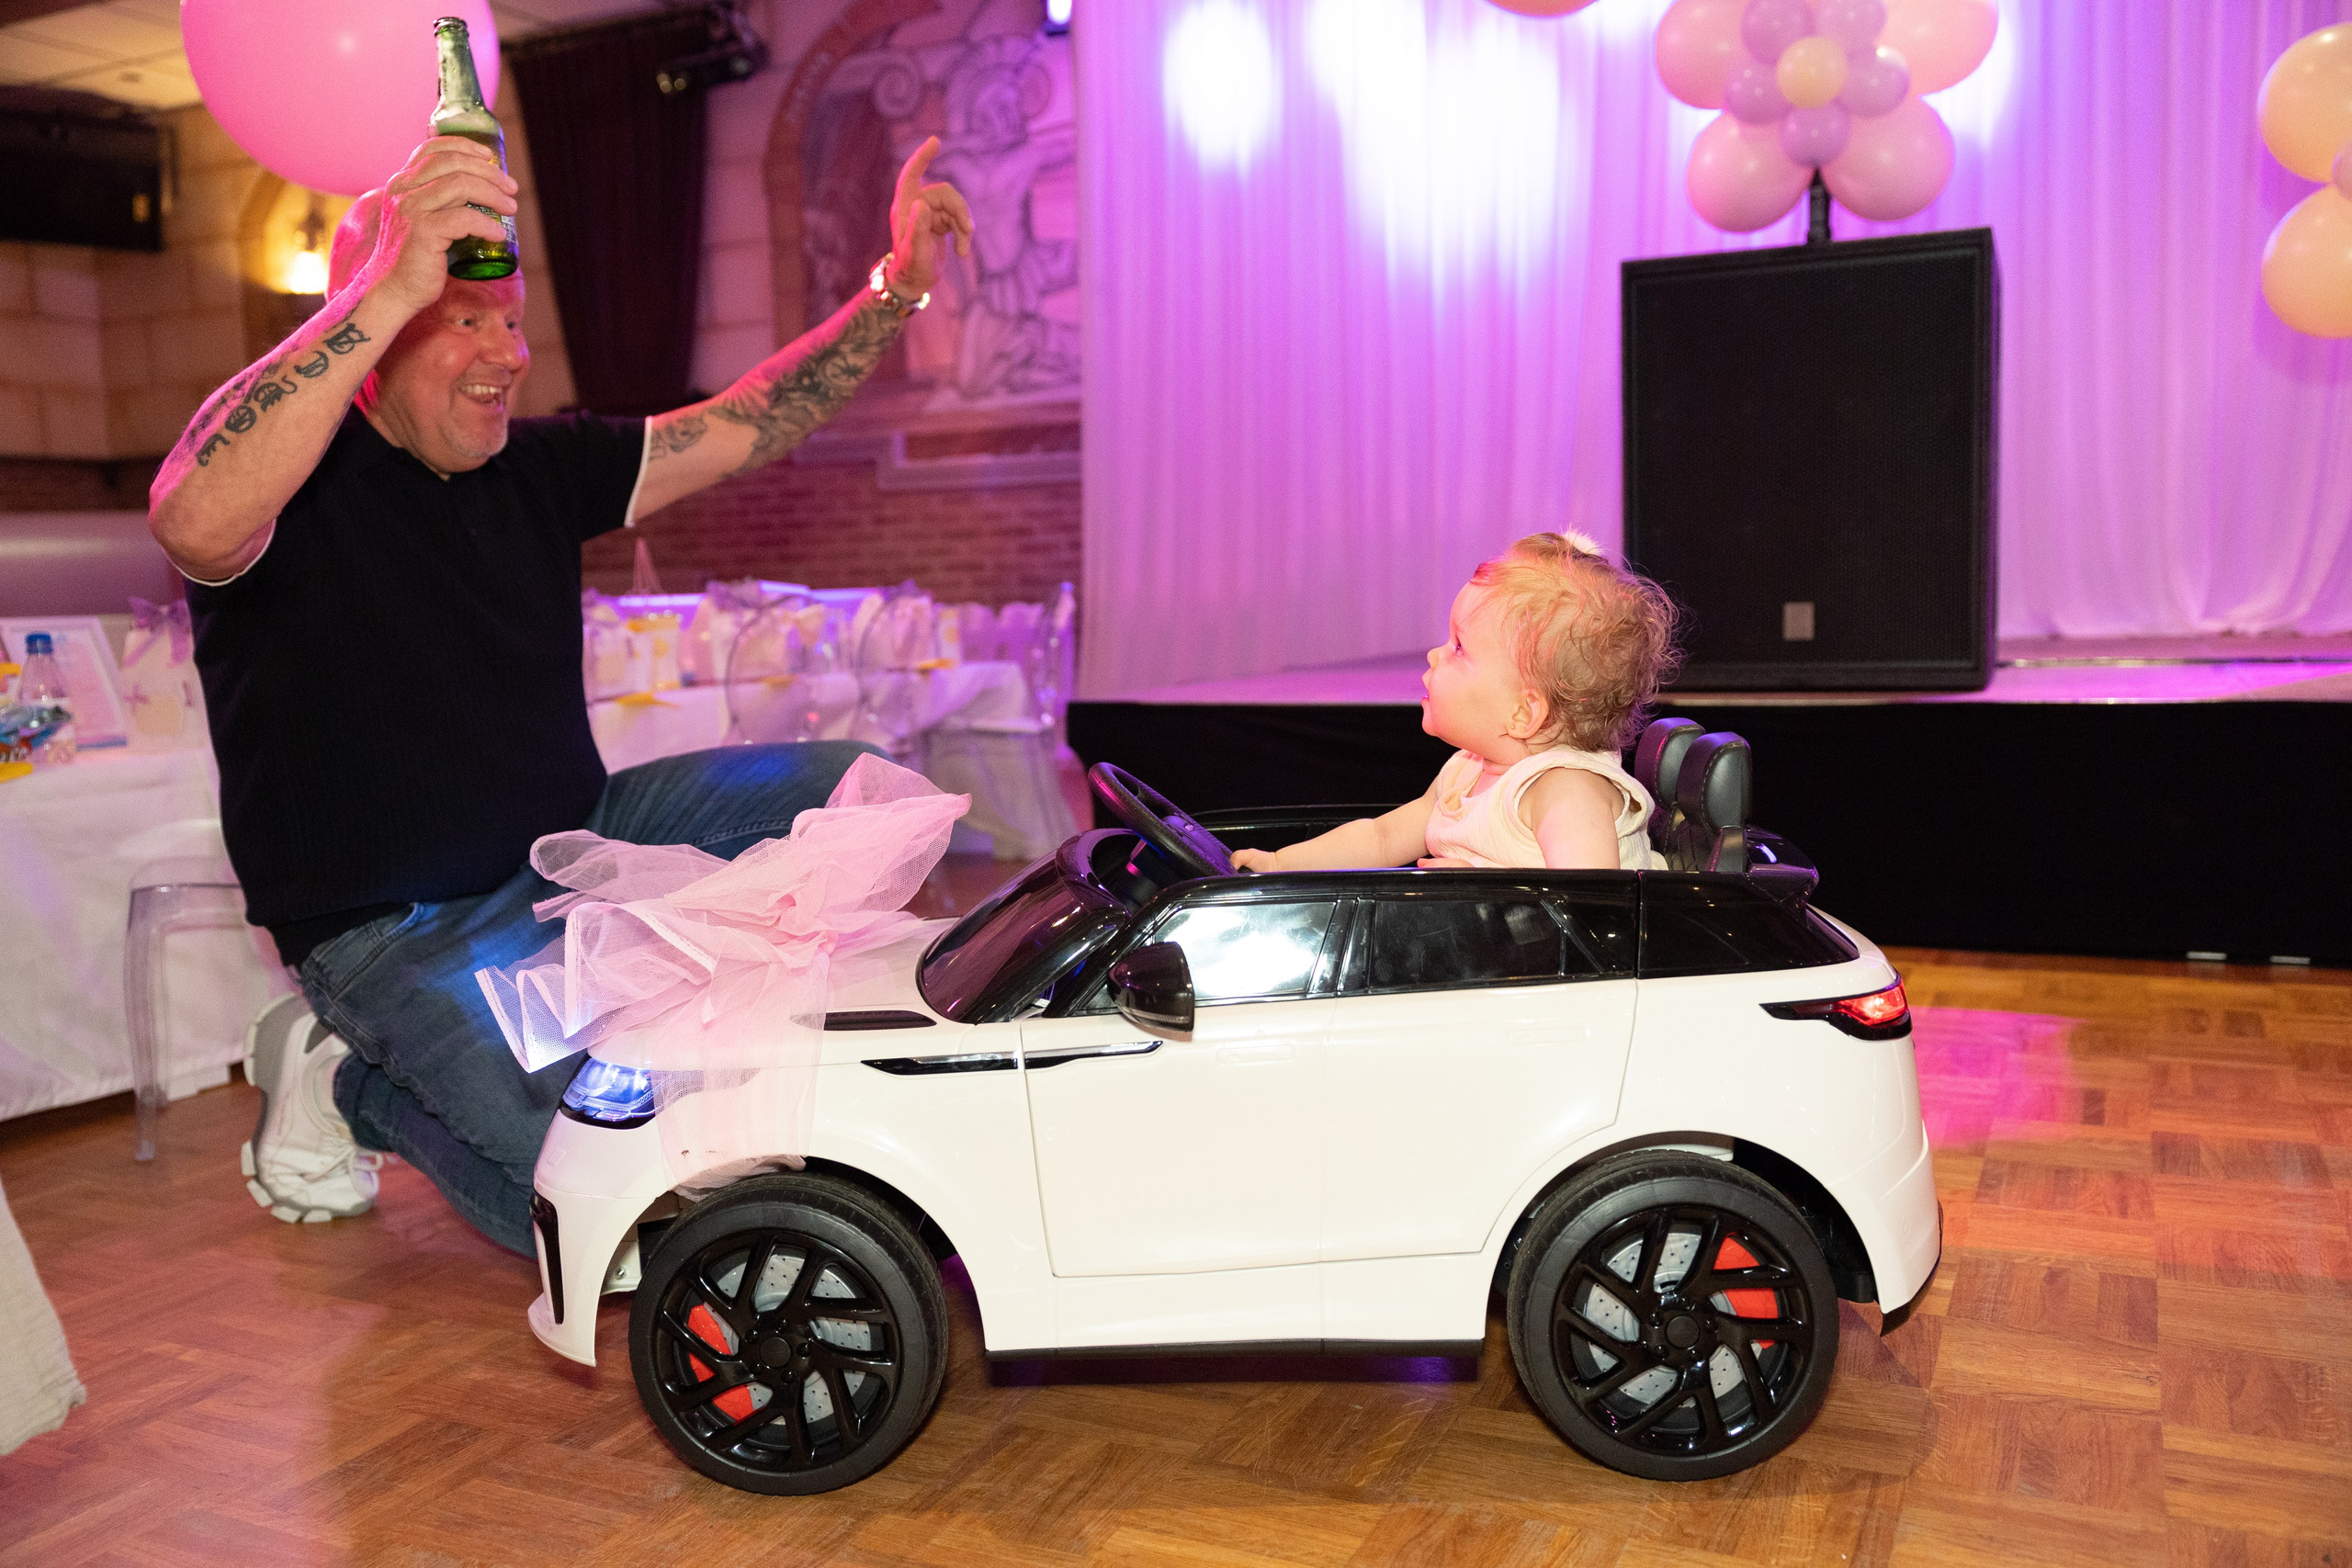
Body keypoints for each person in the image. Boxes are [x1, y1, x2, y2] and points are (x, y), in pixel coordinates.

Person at [147, 132, 973, 1256]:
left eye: (510, 319)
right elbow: (189, 517)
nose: (503, 352)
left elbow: (745, 425)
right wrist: (387, 283)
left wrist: (895, 291)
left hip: (568, 850)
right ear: (376, 334)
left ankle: (716, 1039)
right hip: (394, 931)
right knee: (615, 1221)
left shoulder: (535, 464)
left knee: (863, 796)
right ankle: (359, 1086)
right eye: (459, 319)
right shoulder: (294, 488)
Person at [1231, 532, 1681, 875]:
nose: (1435, 654)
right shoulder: (1467, 769)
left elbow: (1594, 908)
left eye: (1460, 647)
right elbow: (1381, 838)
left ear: (1523, 713)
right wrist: (1278, 865)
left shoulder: (1564, 790)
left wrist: (1491, 896)